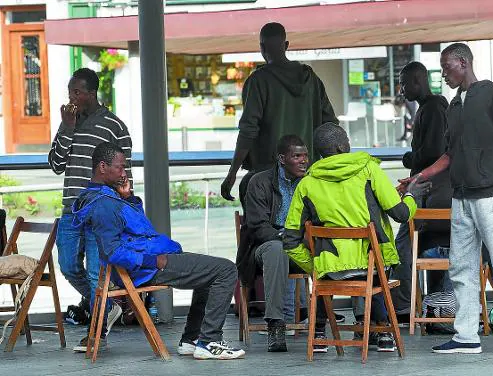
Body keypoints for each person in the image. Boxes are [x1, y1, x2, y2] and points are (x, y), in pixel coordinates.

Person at [400, 43, 493, 355]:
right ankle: (466, 335)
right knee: (461, 267)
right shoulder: (454, 106)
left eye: (447, 68)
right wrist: (417, 178)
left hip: (489, 195)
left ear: (464, 63)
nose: (443, 75)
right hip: (462, 196)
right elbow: (450, 156)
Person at [72, 142, 245, 360]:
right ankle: (209, 341)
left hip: (149, 261)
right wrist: (154, 261)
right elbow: (112, 252)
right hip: (147, 267)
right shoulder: (104, 204)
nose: (124, 174)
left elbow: (139, 229)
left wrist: (129, 200)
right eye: (120, 168)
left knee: (210, 273)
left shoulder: (108, 197)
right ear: (103, 167)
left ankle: (192, 340)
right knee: (226, 270)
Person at [283, 122, 423, 353]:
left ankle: (319, 333)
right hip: (373, 269)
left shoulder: (306, 183)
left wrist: (315, 267)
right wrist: (411, 195)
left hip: (330, 270)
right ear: (340, 147)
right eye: (346, 139)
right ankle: (383, 332)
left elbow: (290, 241)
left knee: (328, 265)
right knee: (376, 260)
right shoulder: (368, 170)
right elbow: (401, 214)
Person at [48, 68, 130, 340]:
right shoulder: (68, 122)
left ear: (91, 94)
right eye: (70, 91)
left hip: (100, 211)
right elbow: (56, 164)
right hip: (72, 208)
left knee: (96, 274)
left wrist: (120, 207)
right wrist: (67, 128)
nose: (71, 97)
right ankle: (108, 306)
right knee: (68, 266)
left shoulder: (114, 126)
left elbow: (123, 173)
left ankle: (95, 332)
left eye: (77, 92)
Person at [220, 22, 337, 206]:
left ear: (261, 48)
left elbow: (248, 131)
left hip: (268, 178)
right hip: (307, 176)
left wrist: (232, 172)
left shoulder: (258, 81)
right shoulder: (311, 79)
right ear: (287, 45)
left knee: (261, 229)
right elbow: (331, 127)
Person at [236, 135, 310, 352]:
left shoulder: (311, 183)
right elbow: (259, 228)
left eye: (306, 156)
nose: (304, 161)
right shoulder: (259, 182)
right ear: (282, 158)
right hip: (267, 246)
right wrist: (287, 238)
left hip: (302, 246)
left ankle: (323, 322)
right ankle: (276, 324)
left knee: (334, 246)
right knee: (278, 250)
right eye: (297, 156)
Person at [392, 61, 453, 315]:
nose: (402, 90)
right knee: (426, 244)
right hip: (429, 190)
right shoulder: (429, 108)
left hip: (430, 192)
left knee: (403, 245)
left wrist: (409, 159)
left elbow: (435, 151)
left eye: (405, 84)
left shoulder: (434, 108)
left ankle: (404, 306)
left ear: (419, 81)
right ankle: (433, 305)